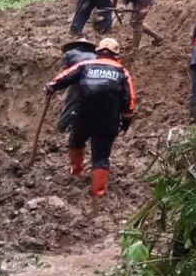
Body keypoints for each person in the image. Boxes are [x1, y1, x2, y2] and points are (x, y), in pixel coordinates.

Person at [46, 37, 136, 198]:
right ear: (116, 55)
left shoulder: (86, 65)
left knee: (76, 140)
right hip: (108, 120)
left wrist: (51, 87)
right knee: (101, 154)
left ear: (98, 53)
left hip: (83, 115)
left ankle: (76, 171)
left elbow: (64, 77)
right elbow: (129, 100)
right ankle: (98, 193)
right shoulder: (122, 72)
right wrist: (126, 120)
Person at [56, 39, 98, 133]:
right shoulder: (96, 56)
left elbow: (66, 73)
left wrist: (55, 86)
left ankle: (62, 127)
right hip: (95, 83)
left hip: (79, 81)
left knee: (71, 104)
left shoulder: (70, 53)